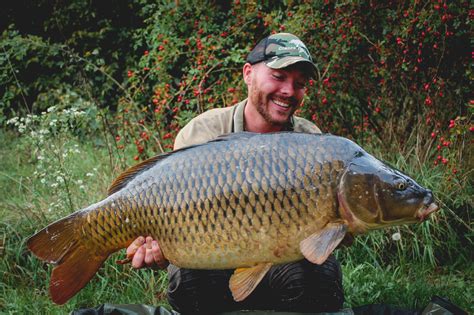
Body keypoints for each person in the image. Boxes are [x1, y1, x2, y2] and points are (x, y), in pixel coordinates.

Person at [126, 33, 344, 314]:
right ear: (248, 74)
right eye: (278, 77)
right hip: (211, 262)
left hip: (282, 265)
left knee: (321, 275)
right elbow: (170, 210)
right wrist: (157, 248)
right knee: (187, 279)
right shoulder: (203, 132)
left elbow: (323, 239)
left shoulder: (311, 142)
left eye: (299, 84)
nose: (289, 91)